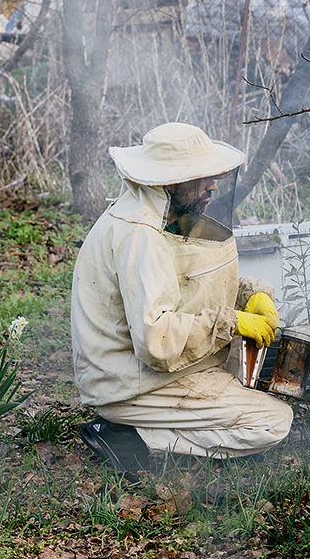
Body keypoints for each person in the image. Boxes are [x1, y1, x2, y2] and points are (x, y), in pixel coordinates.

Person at [72, 123, 293, 473]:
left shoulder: (158, 214)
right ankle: (128, 435)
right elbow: (157, 341)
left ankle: (136, 426)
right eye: (200, 178)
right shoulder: (139, 236)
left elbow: (187, 279)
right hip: (130, 385)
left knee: (251, 393)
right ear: (170, 181)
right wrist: (232, 321)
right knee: (272, 422)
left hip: (144, 374)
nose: (212, 186)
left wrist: (250, 294)